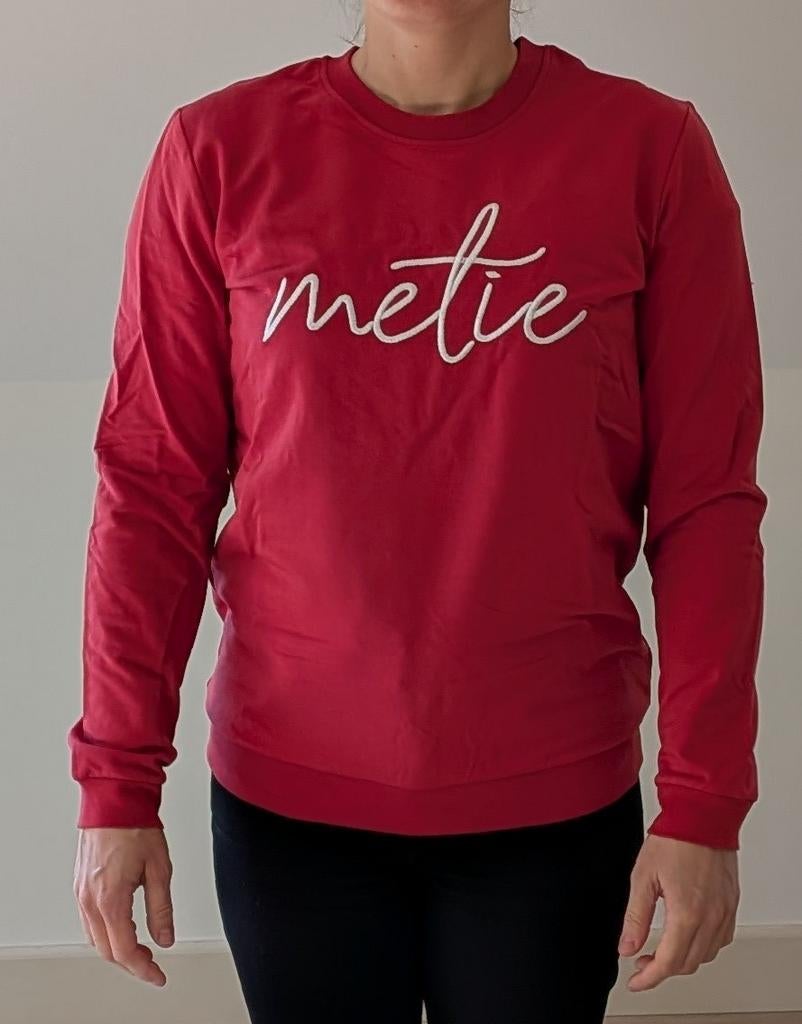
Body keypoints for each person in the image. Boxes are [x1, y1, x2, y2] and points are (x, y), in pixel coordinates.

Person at [68, 2, 768, 1021]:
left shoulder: (650, 153)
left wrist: (704, 800)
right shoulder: (217, 152)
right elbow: (152, 488)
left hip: (552, 799)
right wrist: (115, 782)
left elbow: (707, 503)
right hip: (289, 803)